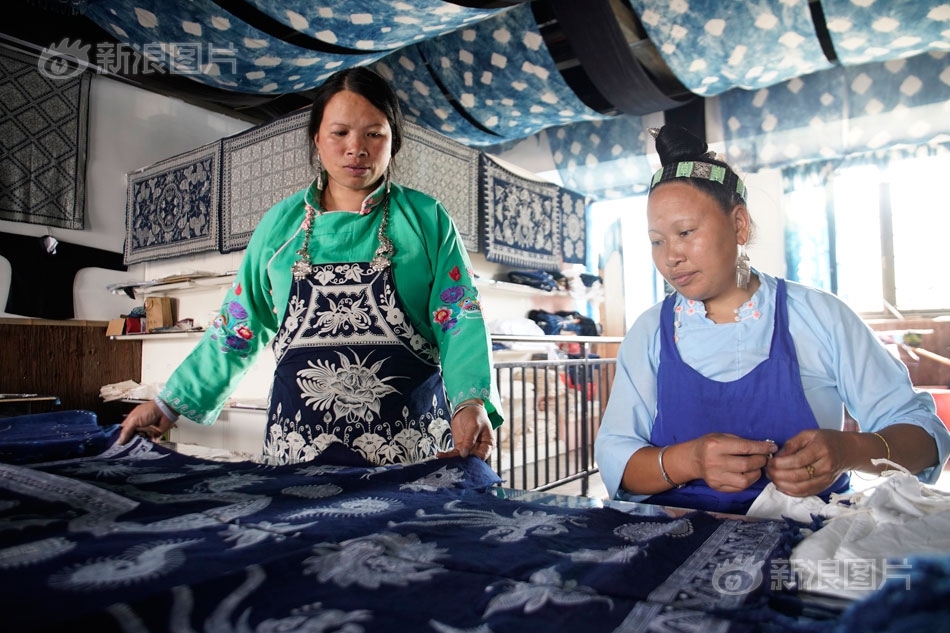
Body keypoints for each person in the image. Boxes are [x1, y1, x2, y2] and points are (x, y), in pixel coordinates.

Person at [119, 67, 503, 466]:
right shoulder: (278, 226)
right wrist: (166, 406)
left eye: (374, 133)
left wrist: (469, 402)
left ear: (394, 142)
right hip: (297, 451)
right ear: (317, 138)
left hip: (410, 452)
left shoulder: (427, 220)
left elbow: (459, 319)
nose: (357, 148)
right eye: (340, 133)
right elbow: (238, 327)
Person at [594, 124, 950, 514]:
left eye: (685, 232)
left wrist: (848, 449)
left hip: (803, 541)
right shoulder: (650, 333)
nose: (670, 256)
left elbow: (926, 436)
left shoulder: (818, 316)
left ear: (739, 225)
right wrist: (690, 461)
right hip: (675, 536)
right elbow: (617, 459)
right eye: (656, 240)